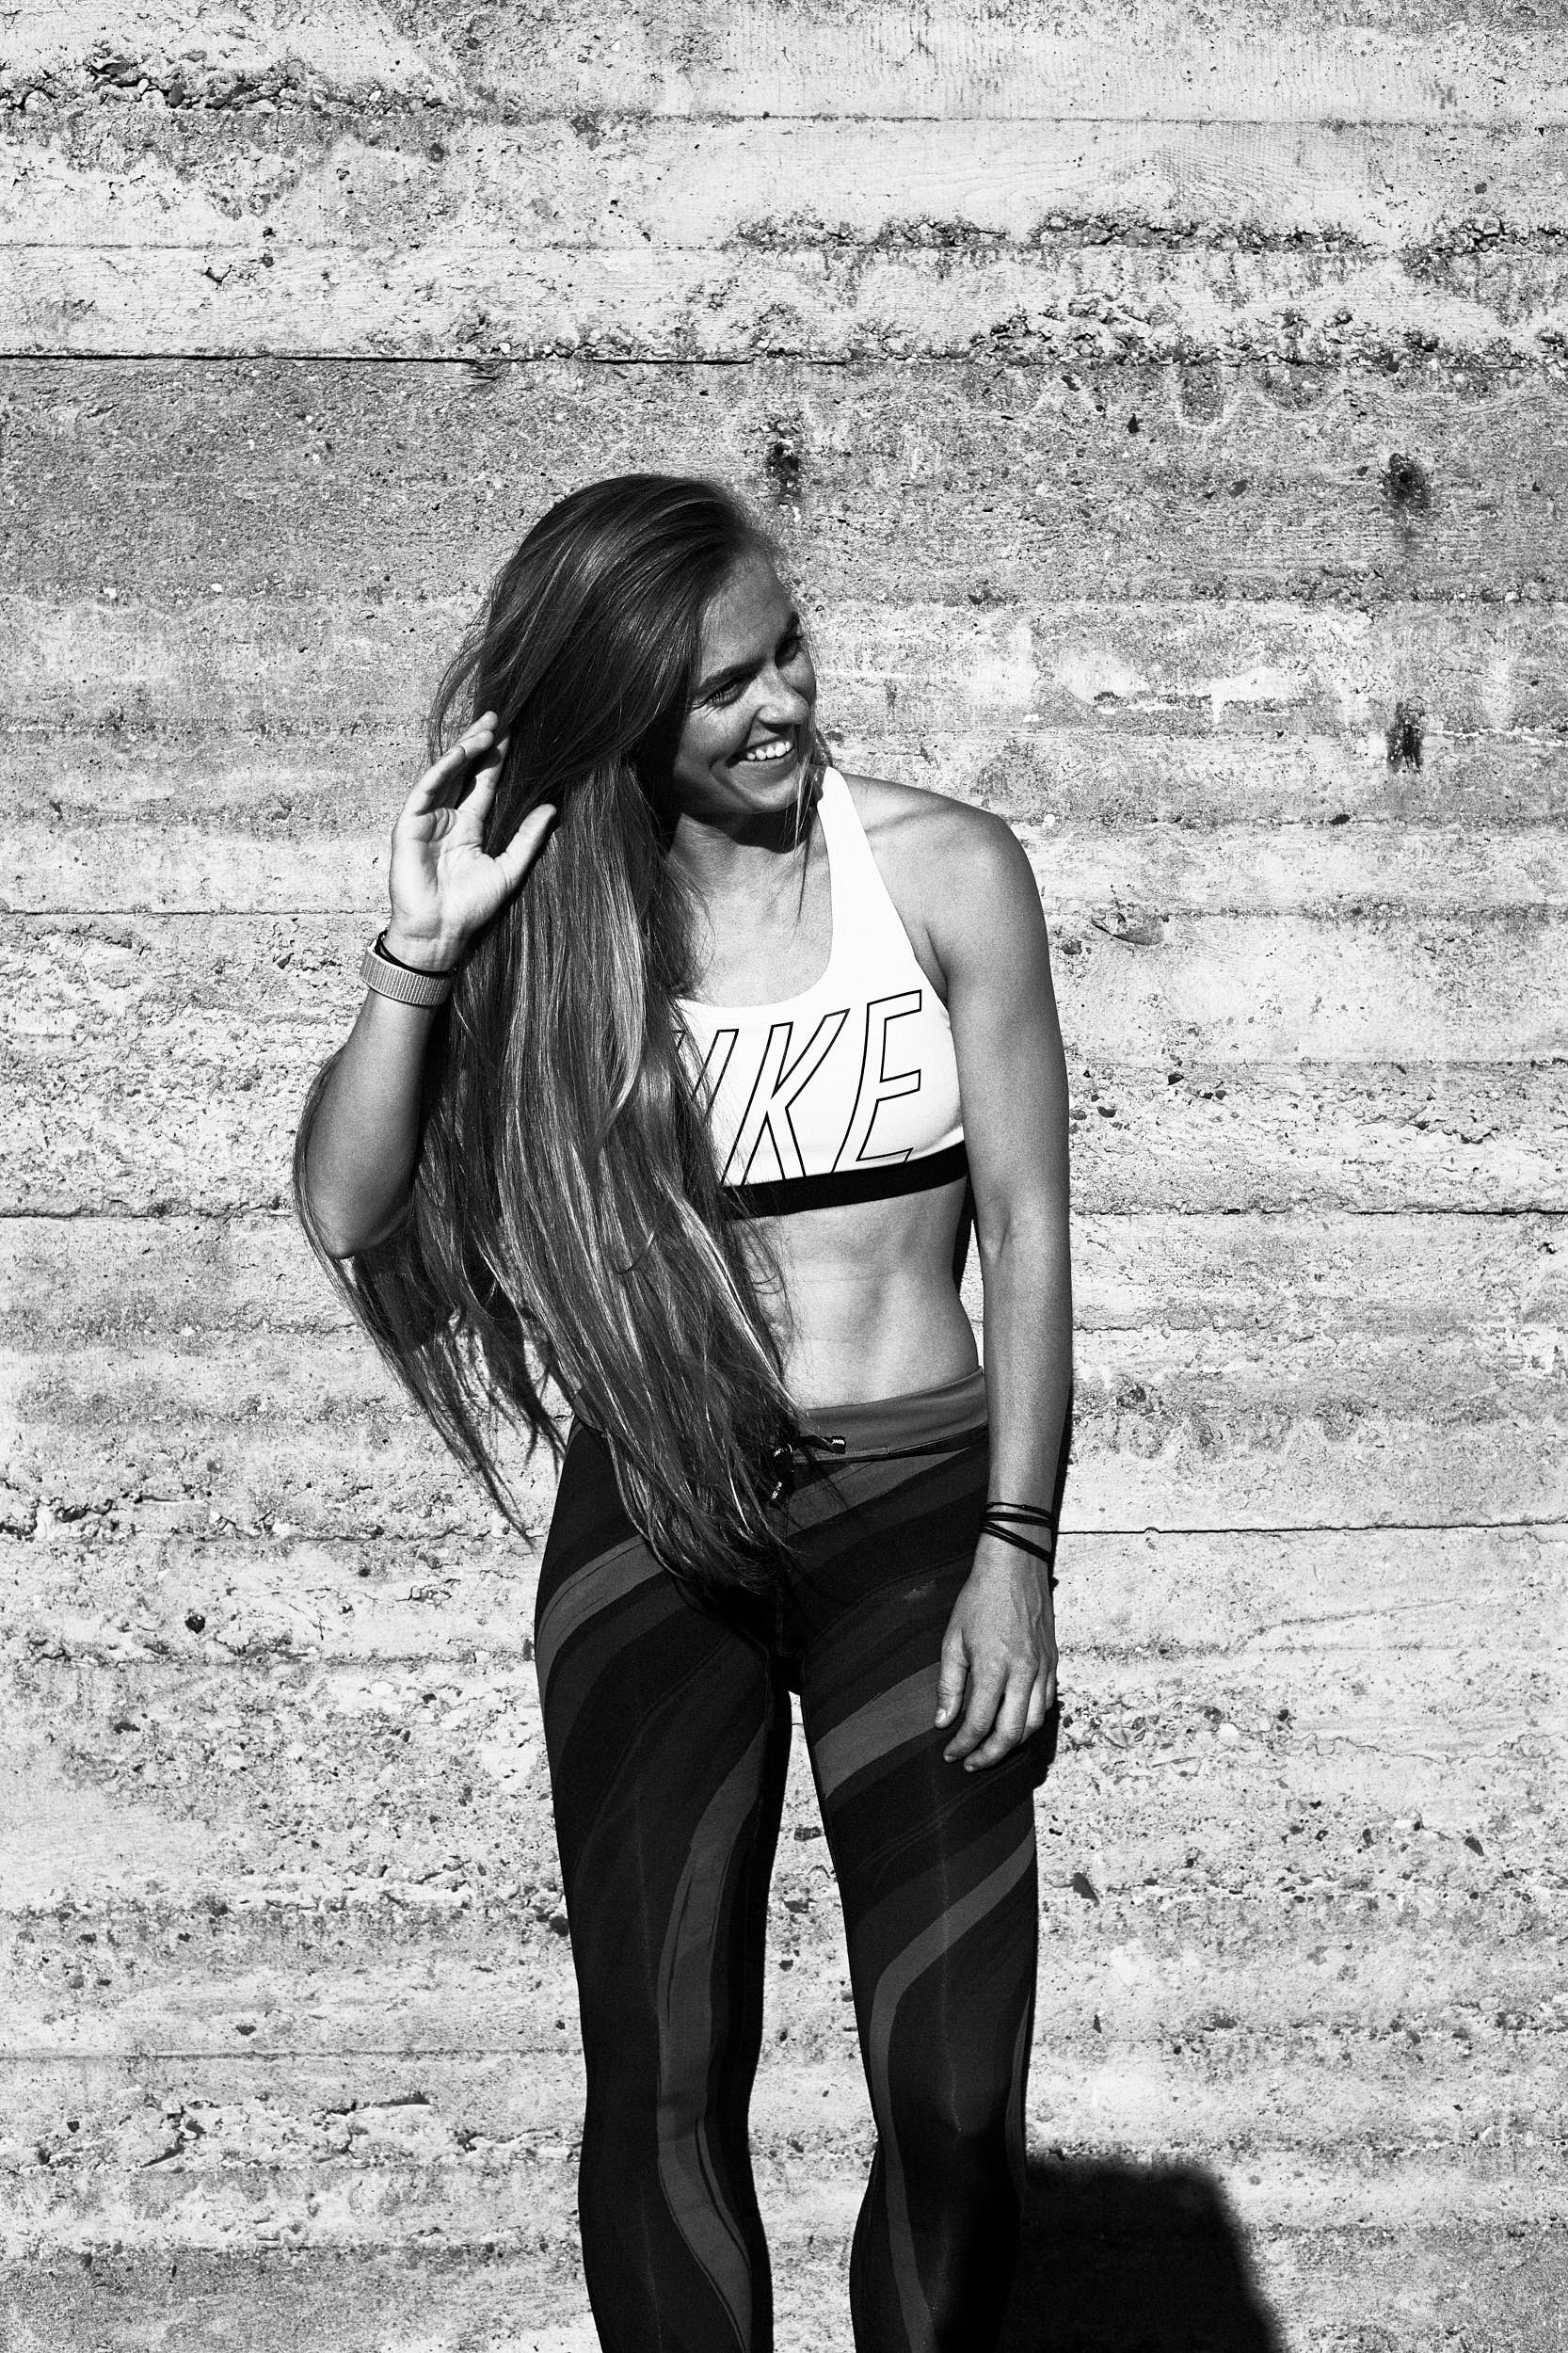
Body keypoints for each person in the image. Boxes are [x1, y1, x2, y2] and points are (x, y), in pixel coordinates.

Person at [295, 474, 1073, 2353]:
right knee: (661, 2084)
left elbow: (1031, 1234)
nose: (780, 703)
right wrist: (422, 947)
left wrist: (1015, 1547)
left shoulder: (947, 874)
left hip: (915, 1518)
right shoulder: (565, 936)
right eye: (722, 685)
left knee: (956, 2099)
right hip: (658, 1522)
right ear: (634, 711)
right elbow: (346, 1202)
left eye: (785, 649)